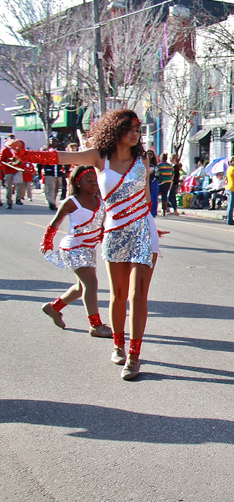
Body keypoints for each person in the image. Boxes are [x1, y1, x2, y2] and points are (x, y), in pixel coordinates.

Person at [12, 109, 160, 381]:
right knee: (118, 293)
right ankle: (118, 345)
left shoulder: (143, 158)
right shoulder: (98, 157)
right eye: (129, 127)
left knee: (138, 294)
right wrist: (24, 154)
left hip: (143, 231)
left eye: (138, 128)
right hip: (115, 232)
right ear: (115, 129)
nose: (135, 132)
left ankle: (134, 356)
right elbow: (59, 157)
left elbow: (147, 197)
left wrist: (149, 223)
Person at [38, 165, 113, 338]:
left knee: (81, 288)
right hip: (74, 247)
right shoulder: (72, 202)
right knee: (91, 284)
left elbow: (102, 225)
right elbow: (55, 223)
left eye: (95, 181)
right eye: (89, 181)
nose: (94, 184)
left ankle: (54, 307)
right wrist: (47, 241)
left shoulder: (101, 200)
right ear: (78, 183)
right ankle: (95, 325)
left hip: (88, 248)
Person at [1, 137, 25, 209]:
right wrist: (8, 163)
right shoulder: (5, 150)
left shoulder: (18, 149)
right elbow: (2, 160)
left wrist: (21, 163)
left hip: (17, 169)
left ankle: (18, 198)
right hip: (8, 170)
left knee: (20, 184)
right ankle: (9, 202)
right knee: (9, 186)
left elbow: (23, 158)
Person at [147, 150, 160, 217]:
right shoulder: (143, 163)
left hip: (153, 181)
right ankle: (148, 211)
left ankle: (153, 212)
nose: (150, 156)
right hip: (146, 181)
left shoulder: (154, 165)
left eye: (151, 154)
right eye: (148, 154)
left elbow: (157, 173)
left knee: (154, 197)